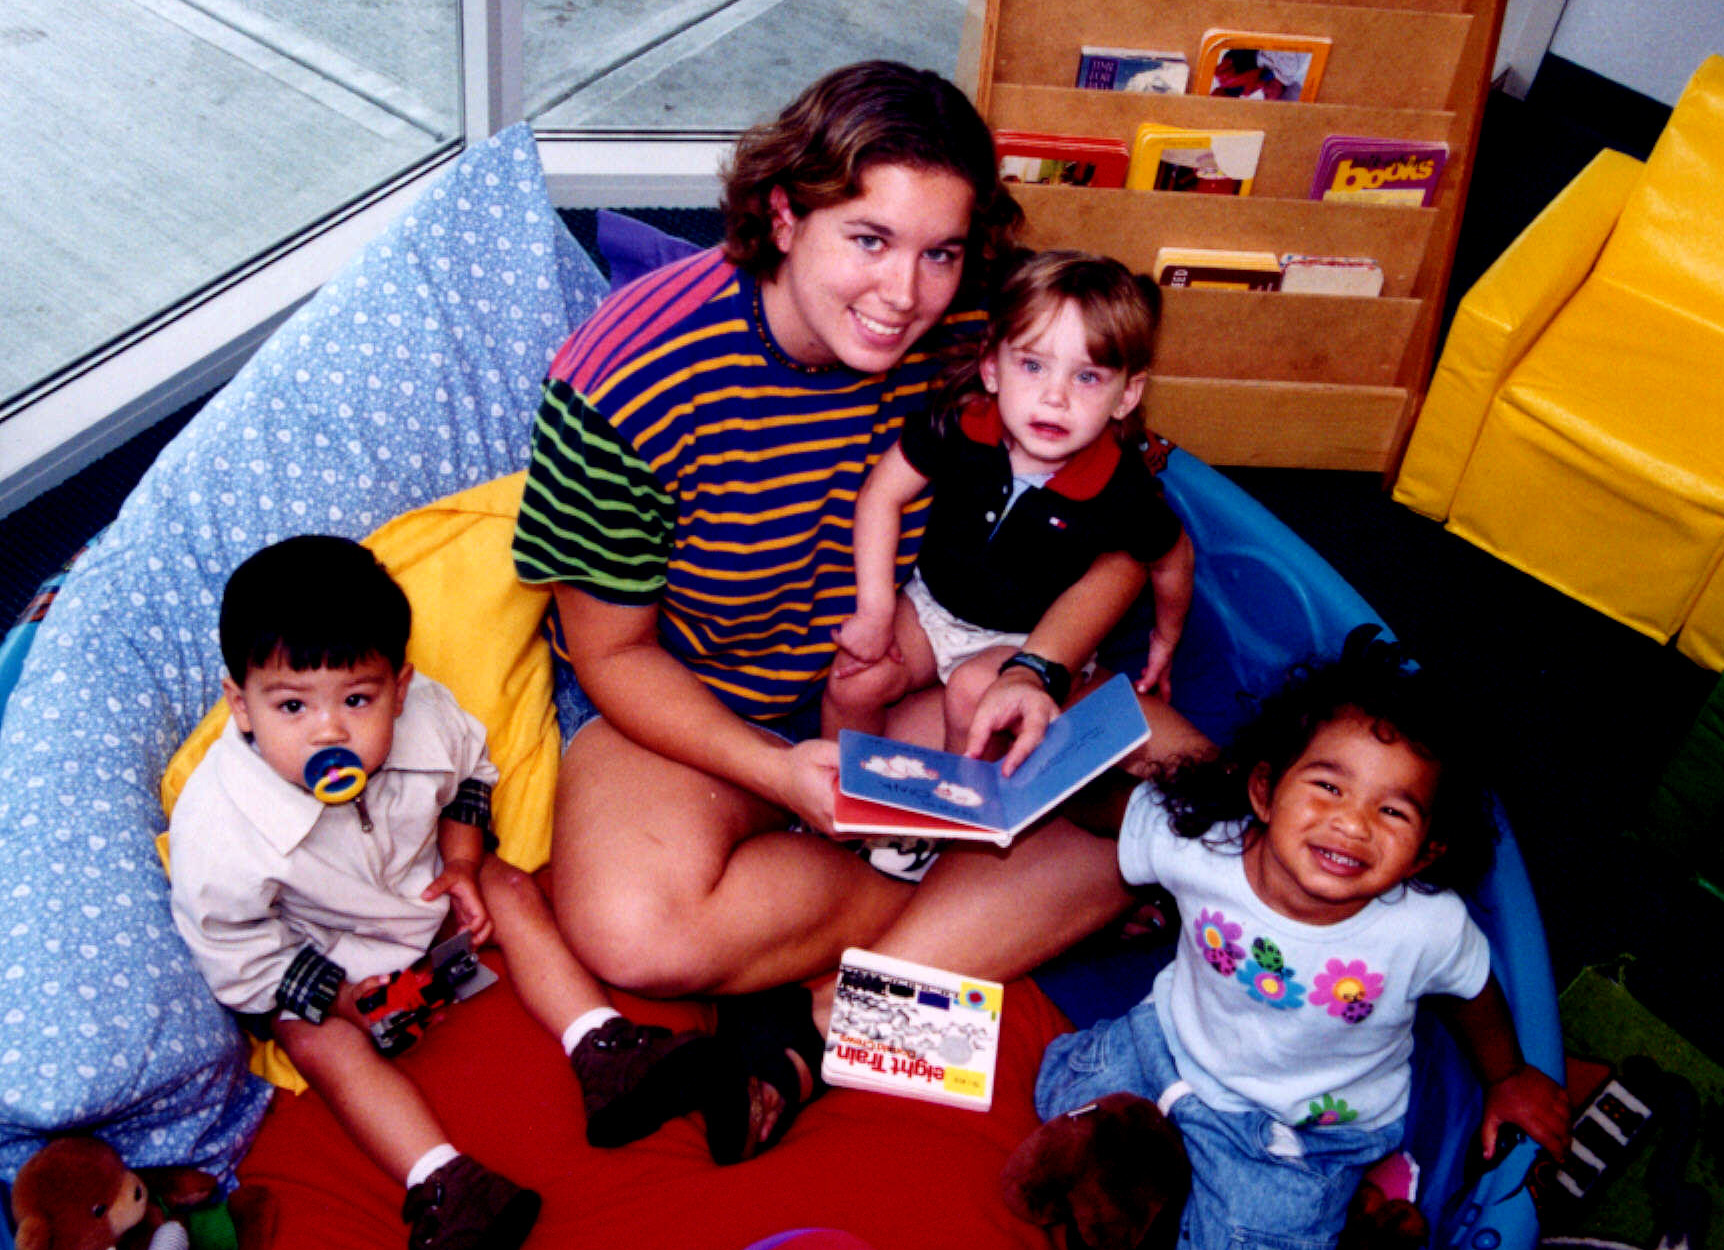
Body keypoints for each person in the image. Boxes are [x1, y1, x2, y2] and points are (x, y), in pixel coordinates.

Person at [511, 60, 1202, 1165]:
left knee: (1193, 795)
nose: (904, 294)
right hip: (698, 702)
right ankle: (947, 922)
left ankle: (821, 1021)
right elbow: (612, 653)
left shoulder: (989, 323)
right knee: (631, 930)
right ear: (784, 216)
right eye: (869, 240)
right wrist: (780, 772)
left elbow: (1121, 520)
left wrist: (1038, 669)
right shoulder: (623, 379)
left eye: (939, 252)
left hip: (923, 676)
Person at [169, 536, 740, 1250]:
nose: (329, 731)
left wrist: (464, 864)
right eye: (291, 706)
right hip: (327, 957)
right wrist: (342, 996)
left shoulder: (424, 717)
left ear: (399, 687)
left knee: (511, 887)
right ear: (242, 706)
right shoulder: (218, 829)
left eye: (357, 699)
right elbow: (235, 946)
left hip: (429, 886)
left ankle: (605, 1046)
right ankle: (442, 1181)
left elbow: (470, 774)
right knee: (314, 1042)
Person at [1011, 630, 1570, 1250]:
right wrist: (1035, 768)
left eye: (1392, 812)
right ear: (1265, 792)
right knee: (1061, 1097)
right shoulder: (1204, 844)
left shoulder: (1424, 926)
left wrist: (1507, 1077)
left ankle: (1355, 1209)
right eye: (1328, 787)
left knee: (1250, 1236)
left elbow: (1473, 991)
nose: (1351, 823)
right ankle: (1171, 1170)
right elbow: (1118, 807)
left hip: (1303, 1130)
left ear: (1424, 854)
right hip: (1170, 1046)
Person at [820, 249, 1195, 754]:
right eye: (1033, 366)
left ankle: (958, 800)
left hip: (1025, 640)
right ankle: (839, 789)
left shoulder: (1120, 486)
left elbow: (1172, 555)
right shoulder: (959, 424)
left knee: (973, 695)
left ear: (1126, 396)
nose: (1055, 397)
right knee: (854, 678)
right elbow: (881, 496)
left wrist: (1166, 639)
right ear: (992, 368)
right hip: (932, 607)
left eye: (1087, 377)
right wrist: (875, 609)